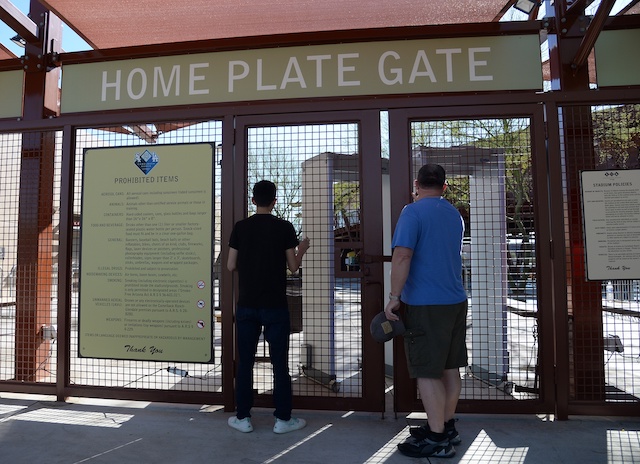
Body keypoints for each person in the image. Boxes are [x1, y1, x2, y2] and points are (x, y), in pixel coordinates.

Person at [384, 164, 468, 459]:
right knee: (449, 367)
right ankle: (446, 427)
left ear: (417, 184)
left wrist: (394, 296)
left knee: (426, 371)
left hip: (425, 303)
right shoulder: (453, 214)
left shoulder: (413, 212)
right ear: (444, 186)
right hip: (455, 300)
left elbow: (403, 254)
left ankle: (436, 439)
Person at [227, 180, 310, 434]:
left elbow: (230, 265)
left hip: (247, 304)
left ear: (253, 201)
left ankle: (243, 418)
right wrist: (302, 249)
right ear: (275, 201)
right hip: (275, 305)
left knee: (245, 363)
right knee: (280, 363)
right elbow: (293, 267)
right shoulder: (284, 227)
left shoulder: (241, 227)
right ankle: (283, 420)